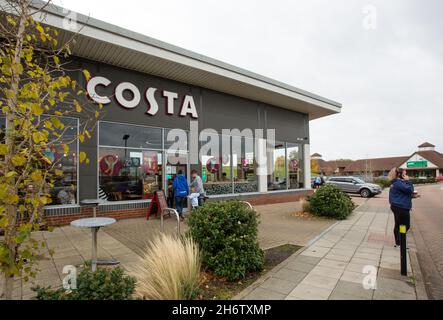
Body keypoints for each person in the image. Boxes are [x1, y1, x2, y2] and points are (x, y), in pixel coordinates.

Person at [388, 167, 414, 247]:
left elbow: (402, 193)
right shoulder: (398, 183)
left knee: (398, 224)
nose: (406, 175)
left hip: (397, 206)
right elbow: (410, 190)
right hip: (401, 207)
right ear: (400, 175)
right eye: (405, 174)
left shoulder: (396, 182)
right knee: (405, 225)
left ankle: (399, 242)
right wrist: (408, 181)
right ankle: (400, 243)